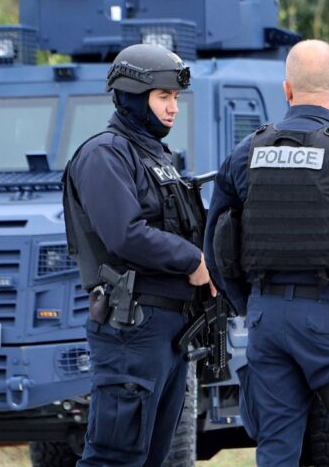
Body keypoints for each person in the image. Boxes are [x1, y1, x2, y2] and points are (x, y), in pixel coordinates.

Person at [203, 39, 329, 467]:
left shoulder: (245, 152)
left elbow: (215, 243)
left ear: (286, 90)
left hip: (266, 321)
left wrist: (247, 303)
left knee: (275, 450)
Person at [62, 43, 212, 466]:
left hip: (168, 329)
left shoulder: (158, 157)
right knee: (115, 457)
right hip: (132, 327)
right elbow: (125, 235)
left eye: (176, 98)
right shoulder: (104, 154)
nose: (173, 109)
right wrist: (193, 261)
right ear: (132, 96)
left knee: (153, 458)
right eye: (163, 97)